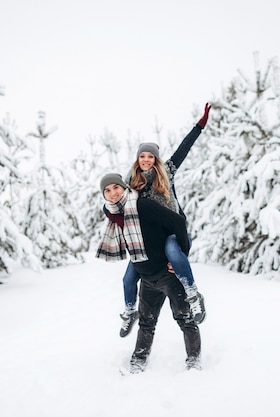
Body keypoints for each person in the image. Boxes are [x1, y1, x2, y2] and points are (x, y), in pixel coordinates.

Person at [112, 103, 212, 336]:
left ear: (156, 159)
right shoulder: (131, 184)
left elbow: (183, 149)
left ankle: (193, 294)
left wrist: (199, 126)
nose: (146, 159)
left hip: (172, 232)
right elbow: (119, 205)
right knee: (128, 278)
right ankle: (129, 312)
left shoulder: (167, 171)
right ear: (138, 159)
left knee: (174, 254)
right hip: (148, 241)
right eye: (142, 156)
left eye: (150, 156)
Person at [96, 173, 201, 373]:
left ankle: (194, 360)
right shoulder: (114, 213)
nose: (112, 193)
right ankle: (139, 360)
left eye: (115, 188)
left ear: (124, 187)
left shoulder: (142, 205)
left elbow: (178, 222)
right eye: (107, 191)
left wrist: (181, 255)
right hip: (146, 276)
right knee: (146, 323)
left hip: (168, 275)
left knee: (185, 319)